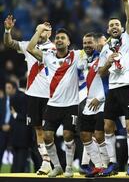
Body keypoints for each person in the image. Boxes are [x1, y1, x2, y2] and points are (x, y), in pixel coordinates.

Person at [27, 25, 84, 178]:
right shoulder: (48, 56)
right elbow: (30, 48)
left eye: (62, 38)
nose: (59, 40)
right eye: (57, 38)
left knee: (67, 135)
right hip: (53, 104)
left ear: (68, 42)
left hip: (71, 105)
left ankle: (69, 167)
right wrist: (39, 30)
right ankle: (57, 166)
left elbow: (91, 50)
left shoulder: (76, 55)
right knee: (46, 136)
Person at [3, 14, 54, 175]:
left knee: (48, 131)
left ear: (50, 33)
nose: (40, 32)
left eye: (43, 31)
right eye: (37, 30)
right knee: (38, 130)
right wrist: (7, 30)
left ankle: (56, 161)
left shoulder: (55, 48)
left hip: (50, 95)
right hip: (32, 95)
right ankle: (46, 162)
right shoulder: (27, 45)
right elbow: (9, 43)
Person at [98, 0, 129, 176]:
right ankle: (113, 163)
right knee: (108, 126)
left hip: (128, 88)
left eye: (117, 24)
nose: (115, 27)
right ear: (107, 30)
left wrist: (125, 1)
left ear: (121, 28)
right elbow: (101, 73)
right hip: (113, 90)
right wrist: (107, 63)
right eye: (111, 25)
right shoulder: (105, 49)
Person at [78, 33, 109, 177]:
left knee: (99, 135)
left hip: (102, 102)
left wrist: (101, 98)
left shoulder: (103, 56)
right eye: (84, 43)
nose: (87, 45)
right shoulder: (83, 59)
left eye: (90, 43)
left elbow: (110, 81)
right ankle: (97, 166)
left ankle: (106, 166)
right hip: (89, 103)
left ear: (96, 43)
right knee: (84, 135)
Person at [6, 81, 31, 173]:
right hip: (20, 133)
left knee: (18, 159)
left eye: (8, 88)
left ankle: (15, 175)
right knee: (19, 159)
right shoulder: (22, 96)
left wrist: (16, 115)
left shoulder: (17, 97)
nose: (6, 90)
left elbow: (24, 115)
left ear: (14, 87)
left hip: (19, 133)